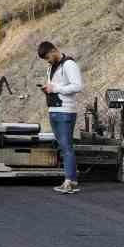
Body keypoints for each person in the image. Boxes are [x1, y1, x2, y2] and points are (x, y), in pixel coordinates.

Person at [38, 40, 83, 194]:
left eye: (47, 58)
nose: (47, 61)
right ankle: (71, 180)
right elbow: (56, 87)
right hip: (54, 109)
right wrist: (48, 89)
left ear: (53, 51)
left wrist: (55, 88)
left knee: (67, 147)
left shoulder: (69, 65)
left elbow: (77, 86)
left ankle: (70, 181)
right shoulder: (51, 67)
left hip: (66, 111)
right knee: (63, 147)